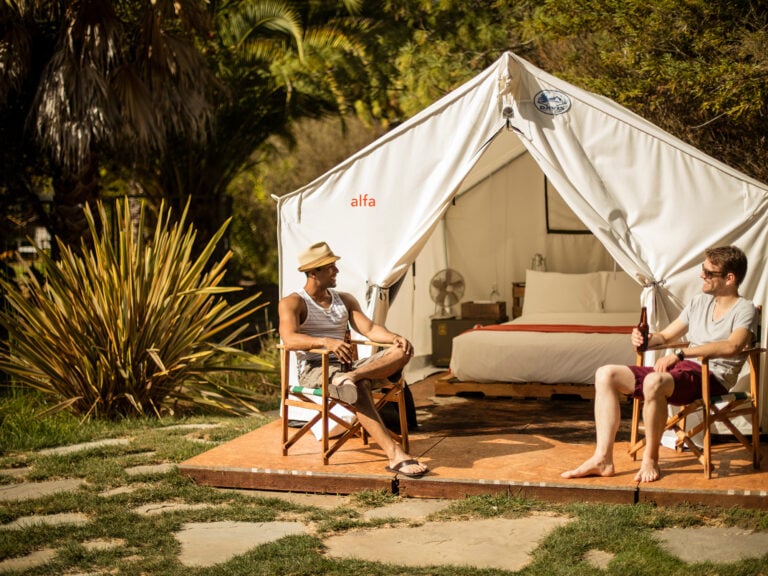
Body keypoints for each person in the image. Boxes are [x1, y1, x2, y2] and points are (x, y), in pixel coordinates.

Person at [562, 246, 755, 483]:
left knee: (654, 381)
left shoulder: (745, 309)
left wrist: (682, 354)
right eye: (702, 270)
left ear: (729, 278)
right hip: (679, 373)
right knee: (606, 374)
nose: (701, 275)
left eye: (708, 272)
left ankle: (650, 459)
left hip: (711, 378)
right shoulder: (699, 302)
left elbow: (732, 346)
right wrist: (645, 339)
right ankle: (603, 459)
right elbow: (664, 337)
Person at [278, 241, 429, 479]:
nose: (336, 271)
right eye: (330, 267)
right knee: (359, 387)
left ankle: (352, 378)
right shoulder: (293, 302)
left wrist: (393, 338)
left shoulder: (344, 300)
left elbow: (368, 329)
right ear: (312, 272)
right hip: (316, 368)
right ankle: (395, 454)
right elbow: (289, 339)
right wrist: (326, 342)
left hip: (348, 368)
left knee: (402, 351)